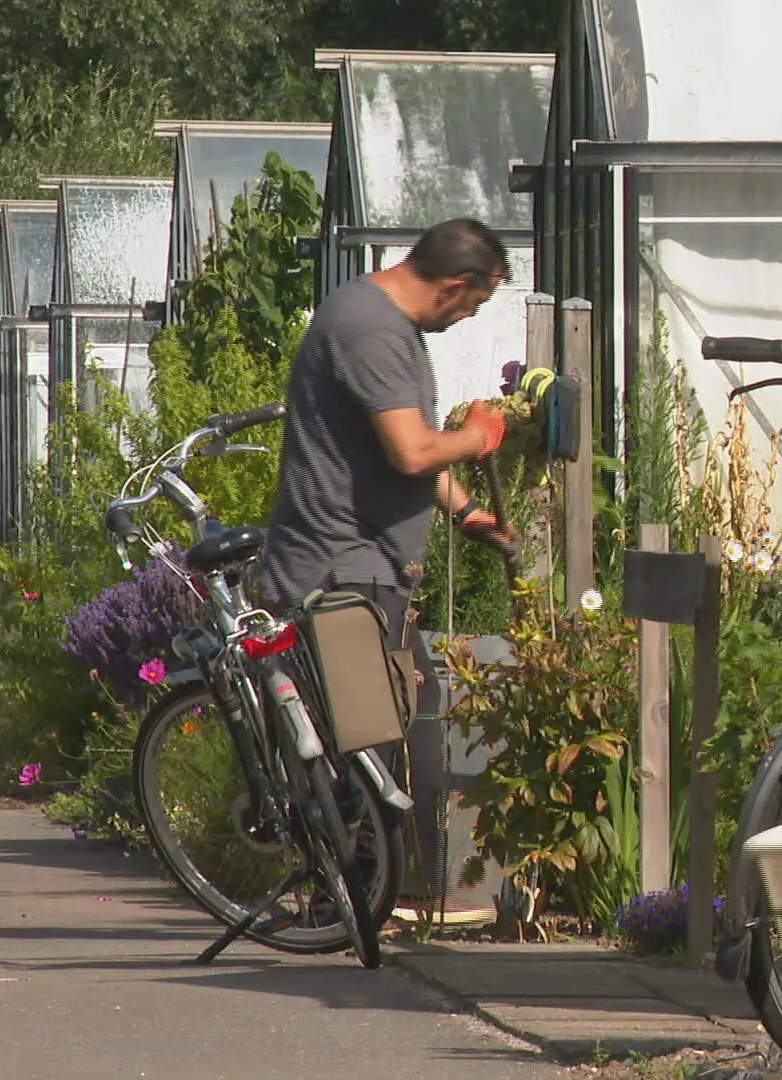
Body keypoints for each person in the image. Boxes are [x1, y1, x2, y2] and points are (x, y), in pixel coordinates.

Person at [257, 217, 514, 912]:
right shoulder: (372, 330)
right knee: (380, 741)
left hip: (361, 566)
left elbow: (396, 449)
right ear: (455, 286)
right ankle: (370, 898)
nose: (467, 319)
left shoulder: (379, 320)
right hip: (344, 570)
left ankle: (371, 898)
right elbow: (410, 450)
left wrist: (464, 513)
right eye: (474, 306)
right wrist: (474, 438)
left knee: (387, 728)